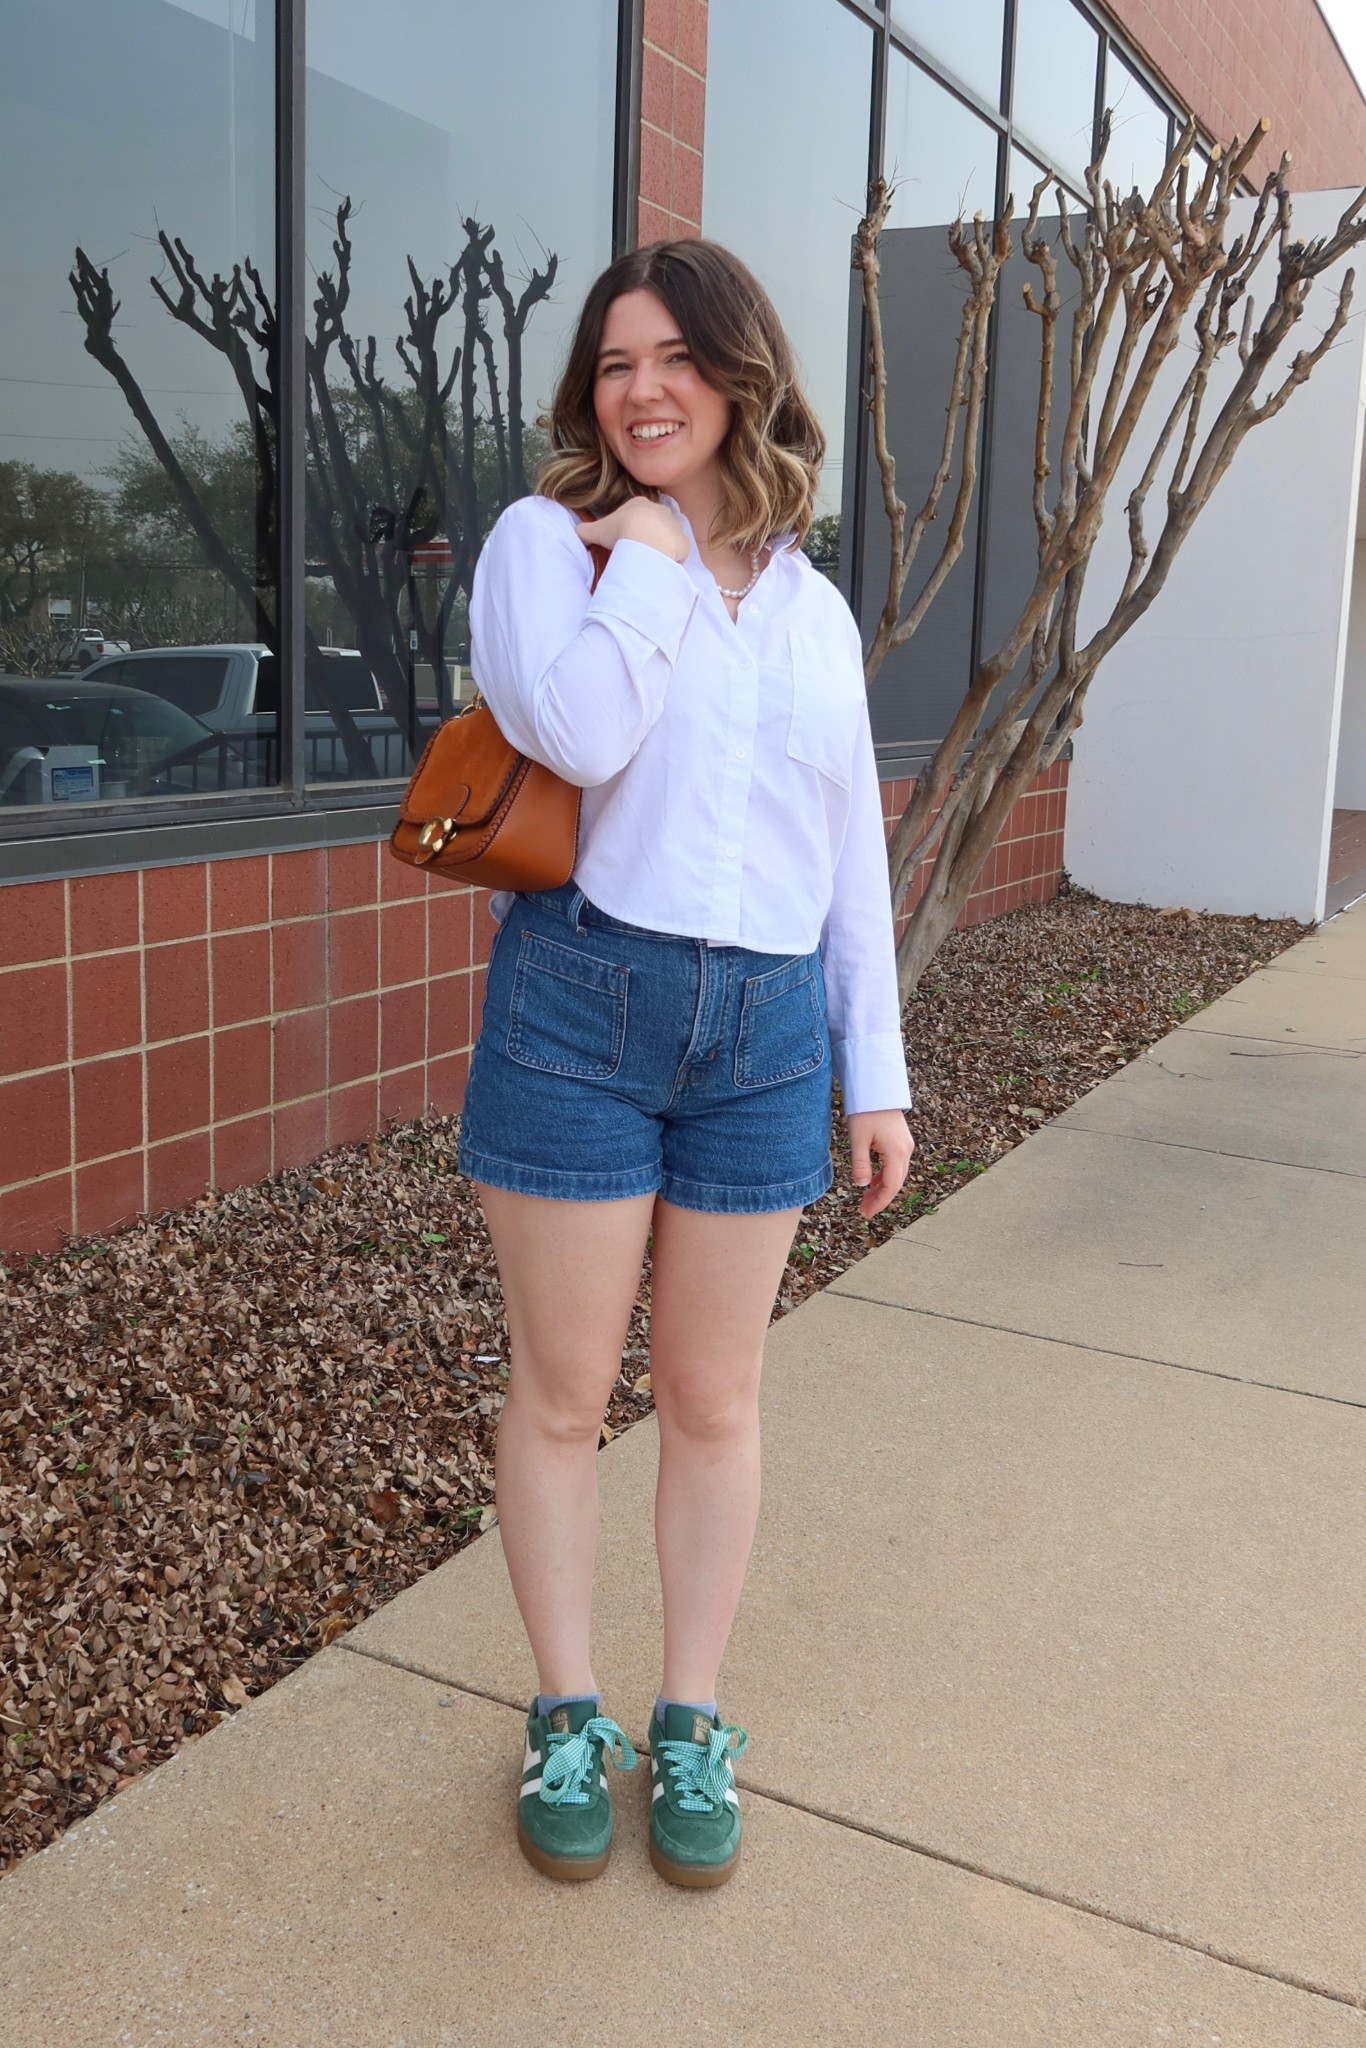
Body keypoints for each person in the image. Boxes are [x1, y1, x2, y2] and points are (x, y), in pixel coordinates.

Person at [457, 238, 914, 1888]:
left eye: (673, 359)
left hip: (769, 1031)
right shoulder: (546, 545)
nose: (641, 390)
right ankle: (568, 1710)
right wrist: (644, 554)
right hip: (582, 1008)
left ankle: (691, 1719)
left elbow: (842, 844)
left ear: (738, 374)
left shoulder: (809, 606)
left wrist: (878, 1070)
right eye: (611, 363)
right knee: (569, 1397)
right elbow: (576, 736)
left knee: (716, 1398)